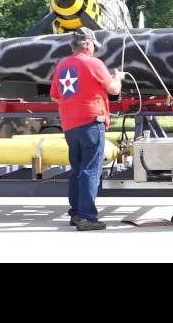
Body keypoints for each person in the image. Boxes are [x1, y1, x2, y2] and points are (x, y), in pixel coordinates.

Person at [50, 27, 124, 231]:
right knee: (91, 170)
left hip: (69, 124)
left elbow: (55, 96)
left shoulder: (62, 65)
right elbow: (114, 90)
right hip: (91, 121)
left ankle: (75, 213)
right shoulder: (94, 63)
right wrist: (118, 77)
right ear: (88, 44)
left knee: (77, 169)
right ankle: (87, 217)